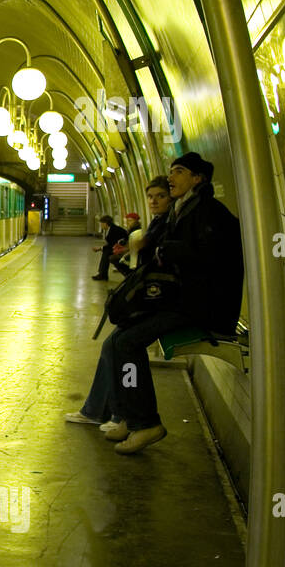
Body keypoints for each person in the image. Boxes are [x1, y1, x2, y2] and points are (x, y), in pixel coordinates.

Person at [65, 157, 241, 454]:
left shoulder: (208, 211)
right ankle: (128, 417)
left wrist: (161, 248)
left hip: (201, 307)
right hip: (184, 300)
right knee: (118, 340)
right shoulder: (186, 209)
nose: (171, 177)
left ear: (197, 179)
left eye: (179, 172)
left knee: (128, 343)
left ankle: (146, 423)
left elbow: (209, 257)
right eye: (171, 171)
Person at [91, 214, 129, 280]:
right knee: (106, 252)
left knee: (107, 252)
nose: (101, 225)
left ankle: (102, 274)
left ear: (105, 223)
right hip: (121, 246)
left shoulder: (114, 230)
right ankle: (102, 274)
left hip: (125, 248)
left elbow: (111, 245)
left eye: (101, 224)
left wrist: (100, 248)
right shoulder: (111, 228)